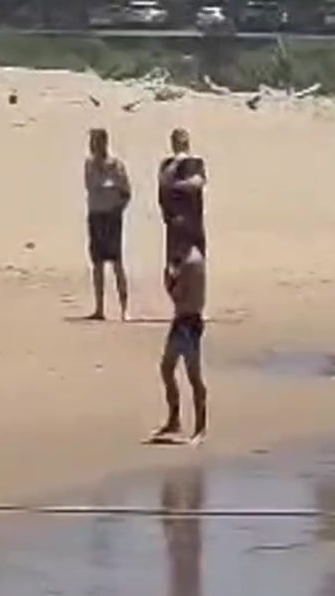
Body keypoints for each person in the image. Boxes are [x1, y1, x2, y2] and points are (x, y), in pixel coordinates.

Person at [150, 221, 208, 445]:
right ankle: (174, 419)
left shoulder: (189, 264)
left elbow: (178, 295)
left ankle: (200, 429)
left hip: (188, 323)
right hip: (183, 320)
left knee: (194, 377)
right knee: (167, 368)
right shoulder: (193, 258)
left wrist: (169, 281)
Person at [83, 126, 131, 321]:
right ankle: (99, 308)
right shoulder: (89, 165)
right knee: (97, 263)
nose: (93, 147)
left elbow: (126, 191)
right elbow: (90, 186)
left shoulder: (116, 165)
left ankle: (124, 309)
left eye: (96, 142)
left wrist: (117, 206)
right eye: (91, 143)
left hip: (111, 216)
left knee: (117, 263)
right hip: (95, 215)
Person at [157, 127, 207, 256]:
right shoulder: (167, 163)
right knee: (174, 265)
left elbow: (197, 183)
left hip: (193, 221)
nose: (181, 146)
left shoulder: (195, 162)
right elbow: (163, 182)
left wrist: (176, 185)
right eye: (178, 143)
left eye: (184, 143)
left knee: (197, 260)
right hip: (174, 221)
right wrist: (176, 162)